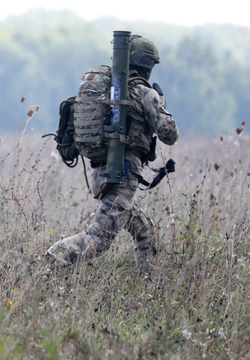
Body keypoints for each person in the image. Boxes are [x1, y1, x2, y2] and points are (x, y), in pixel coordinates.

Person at [44, 35, 180, 273]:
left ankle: (151, 285)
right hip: (123, 174)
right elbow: (170, 134)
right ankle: (45, 264)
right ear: (147, 65)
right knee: (99, 240)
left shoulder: (110, 91)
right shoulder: (144, 93)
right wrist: (160, 102)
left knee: (144, 229)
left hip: (102, 171)